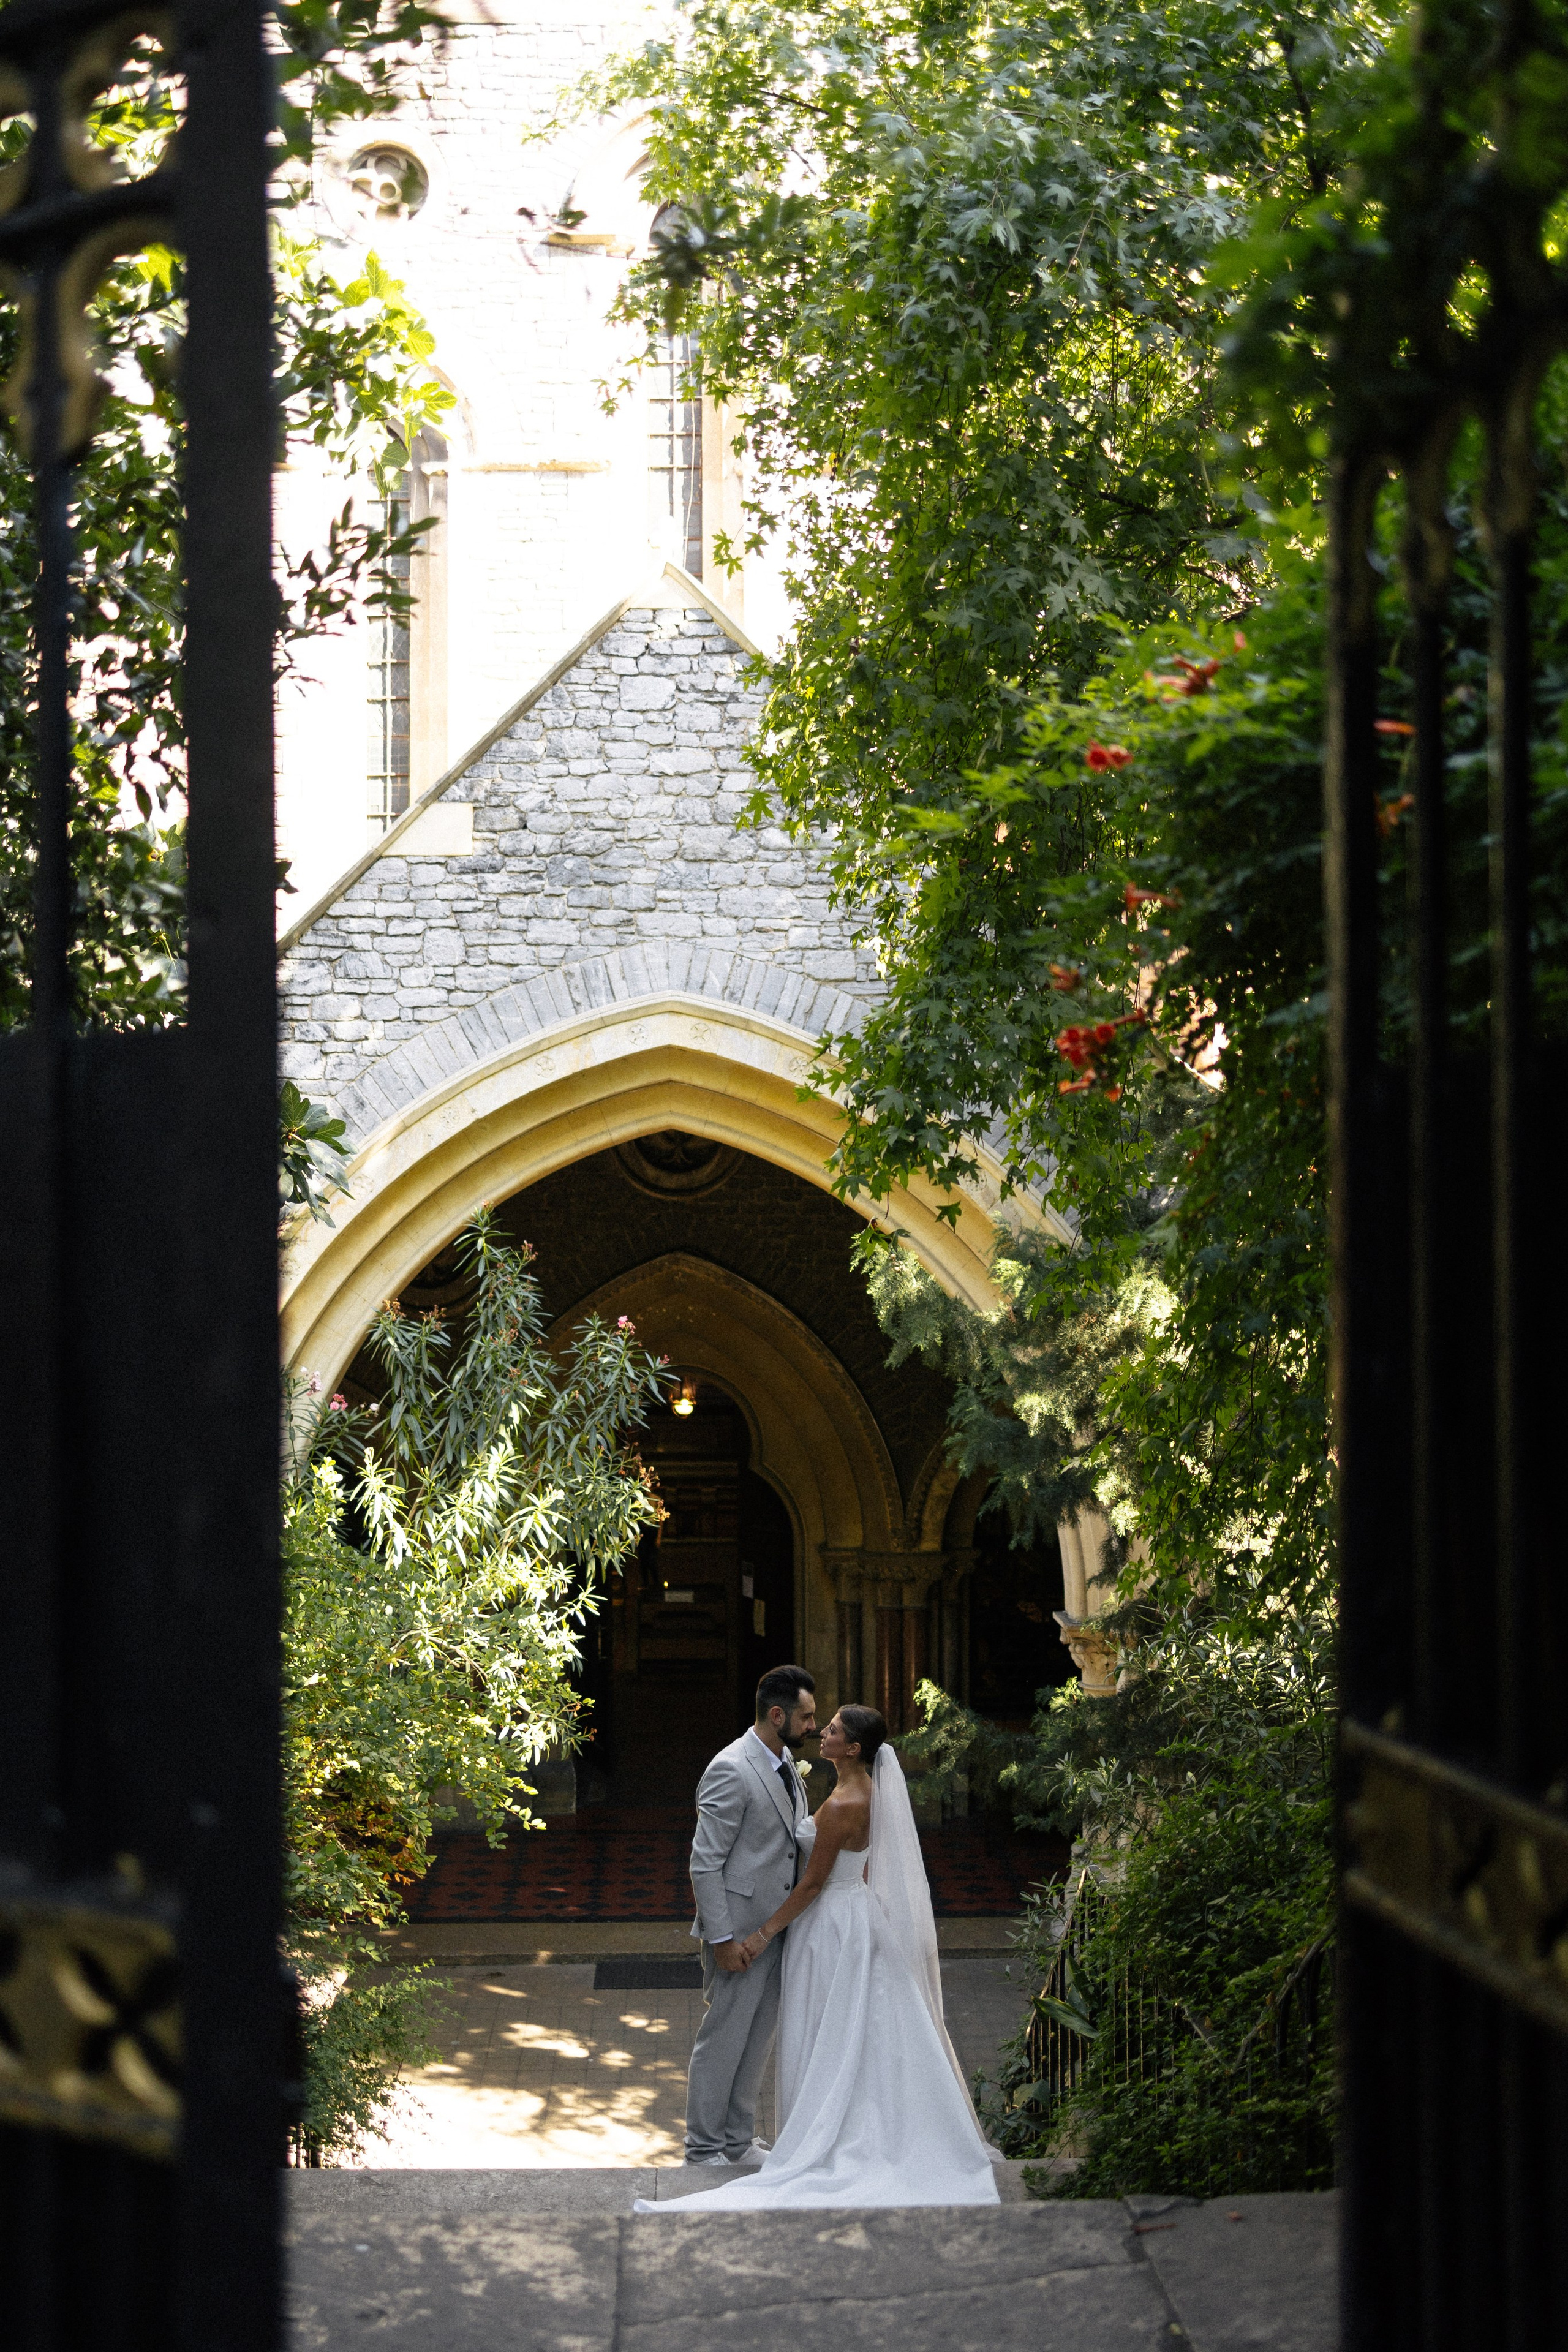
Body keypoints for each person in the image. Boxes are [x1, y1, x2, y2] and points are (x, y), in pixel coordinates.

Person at [639, 1702, 1000, 2211]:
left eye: (831, 1730)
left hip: (829, 1923)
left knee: (827, 2026)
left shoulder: (842, 1806)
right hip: (857, 1913)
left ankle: (825, 2134)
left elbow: (812, 1884)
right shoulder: (865, 1793)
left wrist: (762, 1934)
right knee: (859, 2027)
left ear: (853, 1748)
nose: (821, 1733)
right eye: (820, 1724)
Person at [680, 1664, 818, 2165]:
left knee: (756, 2040)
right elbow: (705, 1862)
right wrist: (722, 1940)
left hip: (775, 1929)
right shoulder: (730, 1768)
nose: (813, 1727)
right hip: (737, 1933)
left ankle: (737, 2143)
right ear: (776, 1714)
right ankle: (702, 2149)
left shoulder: (786, 1763)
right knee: (722, 2042)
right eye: (805, 1717)